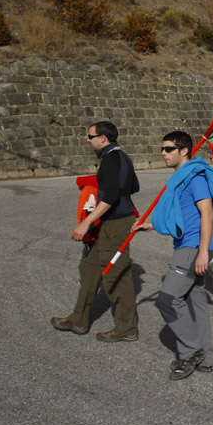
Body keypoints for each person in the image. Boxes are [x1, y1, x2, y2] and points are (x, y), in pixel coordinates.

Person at [134, 131, 213, 380]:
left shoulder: (194, 178)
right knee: (195, 301)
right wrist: (151, 225)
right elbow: (185, 214)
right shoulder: (183, 177)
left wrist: (203, 252)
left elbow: (207, 214)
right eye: (162, 149)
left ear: (184, 151)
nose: (163, 153)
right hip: (192, 245)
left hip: (193, 247)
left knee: (168, 299)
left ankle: (191, 352)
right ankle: (207, 358)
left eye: (169, 149)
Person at [52, 121, 140, 341]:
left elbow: (110, 197)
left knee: (116, 276)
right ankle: (79, 319)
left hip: (116, 224)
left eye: (90, 136)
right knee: (89, 267)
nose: (87, 140)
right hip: (110, 222)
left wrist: (86, 223)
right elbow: (134, 187)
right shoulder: (121, 157)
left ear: (103, 138)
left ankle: (127, 328)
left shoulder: (111, 159)